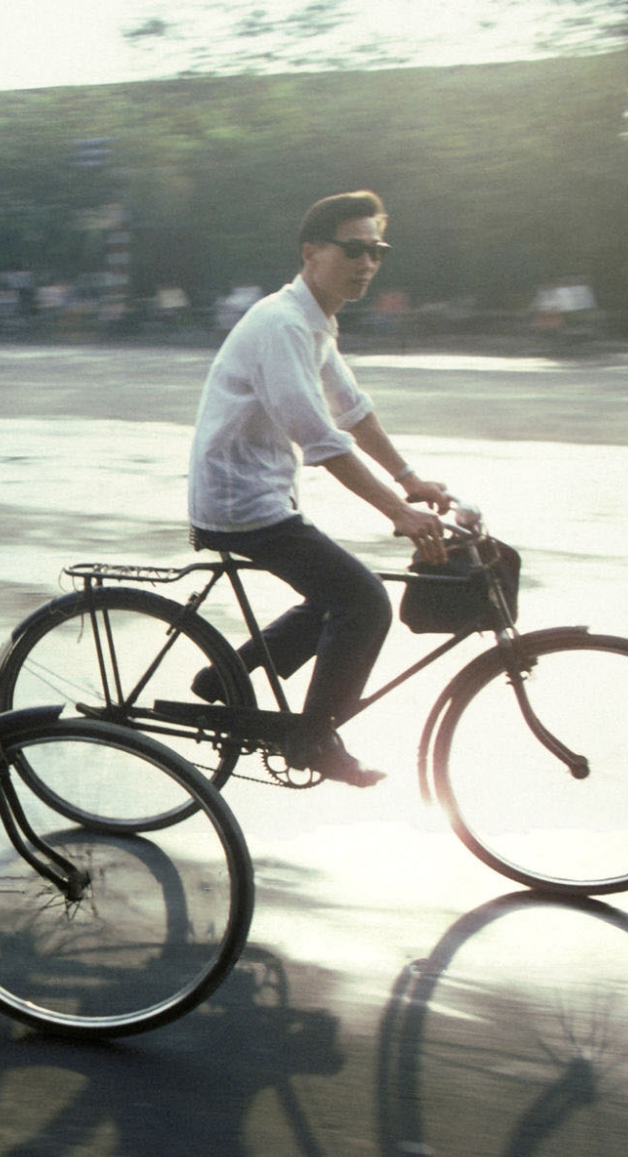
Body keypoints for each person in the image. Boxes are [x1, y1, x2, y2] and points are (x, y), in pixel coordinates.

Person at [186, 190, 452, 787]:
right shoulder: (280, 325)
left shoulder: (314, 322)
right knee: (363, 602)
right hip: (239, 504)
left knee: (334, 592)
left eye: (376, 251)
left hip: (260, 496)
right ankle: (313, 739)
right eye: (354, 249)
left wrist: (410, 481)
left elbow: (352, 410)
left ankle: (223, 677)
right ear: (312, 253)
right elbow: (320, 437)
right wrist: (396, 511)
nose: (367, 263)